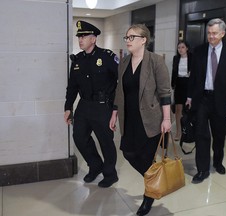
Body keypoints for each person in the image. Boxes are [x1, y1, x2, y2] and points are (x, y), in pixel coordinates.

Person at [109, 24, 171, 216]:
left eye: (131, 37)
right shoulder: (124, 62)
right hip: (130, 118)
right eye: (126, 38)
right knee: (128, 152)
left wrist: (167, 119)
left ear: (143, 40)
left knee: (145, 156)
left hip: (151, 119)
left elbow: (165, 92)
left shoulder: (156, 61)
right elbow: (120, 90)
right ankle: (155, 181)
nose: (128, 41)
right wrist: (114, 112)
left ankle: (148, 196)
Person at [186, 18, 226, 184]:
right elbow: (193, 77)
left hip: (221, 101)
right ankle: (202, 170)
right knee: (201, 134)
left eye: (214, 33)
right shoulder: (199, 51)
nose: (211, 36)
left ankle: (218, 161)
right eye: (209, 33)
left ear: (223, 33)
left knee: (219, 135)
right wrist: (189, 97)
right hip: (202, 99)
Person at [64, 20, 119, 188]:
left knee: (106, 142)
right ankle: (95, 166)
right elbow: (72, 87)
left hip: (104, 106)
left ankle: (110, 174)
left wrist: (115, 110)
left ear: (93, 39)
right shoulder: (78, 60)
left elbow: (119, 84)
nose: (80, 40)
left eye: (84, 36)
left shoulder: (107, 57)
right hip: (84, 106)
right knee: (79, 137)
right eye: (79, 37)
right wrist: (68, 107)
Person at [171, 41, 193, 141]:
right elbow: (174, 72)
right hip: (179, 83)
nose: (180, 49)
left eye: (183, 47)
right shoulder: (176, 58)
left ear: (187, 48)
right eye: (179, 47)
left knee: (189, 109)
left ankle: (189, 131)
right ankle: (178, 132)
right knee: (178, 109)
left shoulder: (192, 57)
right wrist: (172, 84)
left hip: (189, 83)